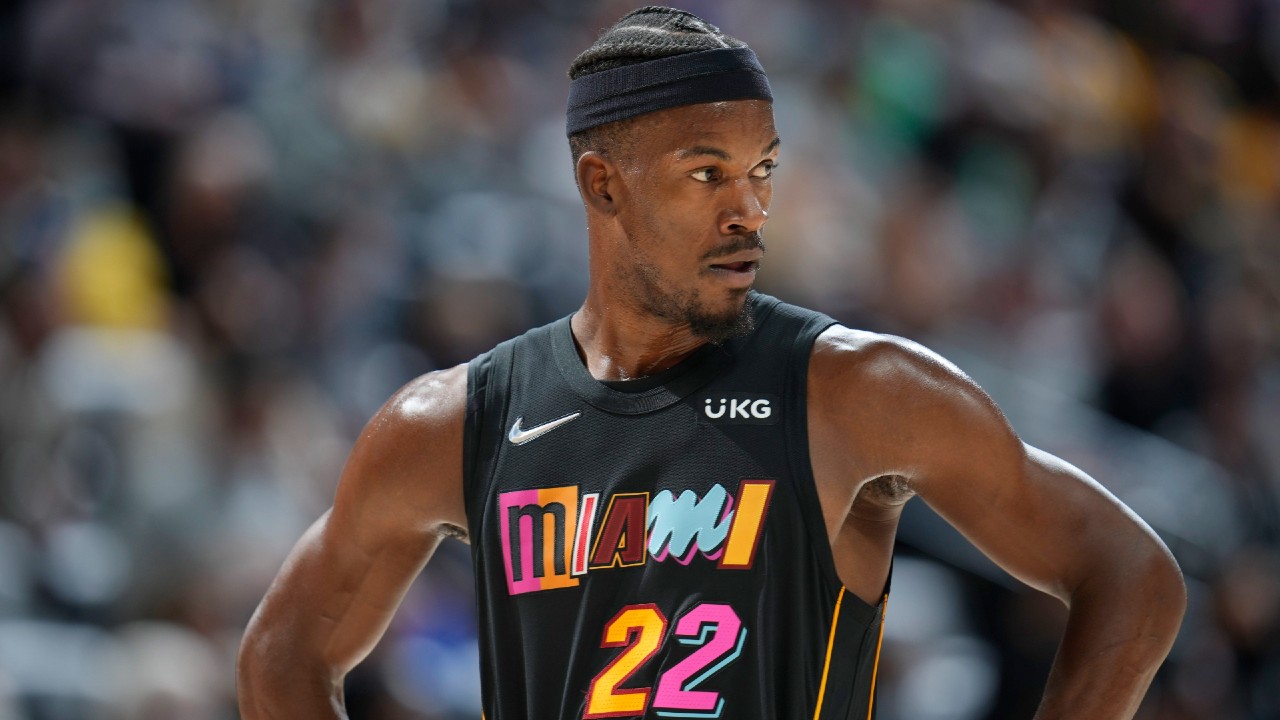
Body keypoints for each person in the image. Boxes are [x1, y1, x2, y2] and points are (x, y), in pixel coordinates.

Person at [237, 7, 1186, 719]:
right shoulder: (458, 420)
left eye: (761, 171)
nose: (749, 211)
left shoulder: (858, 390)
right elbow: (282, 656)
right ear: (601, 183)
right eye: (706, 174)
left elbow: (1131, 573)